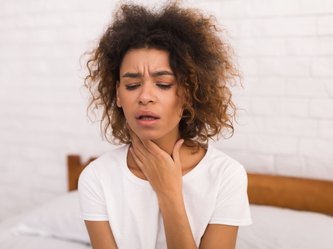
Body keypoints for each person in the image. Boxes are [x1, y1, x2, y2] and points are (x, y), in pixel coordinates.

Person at [78, 2, 252, 249]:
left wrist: (169, 194)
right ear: (118, 94)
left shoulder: (226, 176)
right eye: (131, 85)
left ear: (189, 93)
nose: (145, 97)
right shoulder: (96, 178)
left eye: (163, 84)